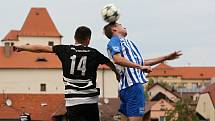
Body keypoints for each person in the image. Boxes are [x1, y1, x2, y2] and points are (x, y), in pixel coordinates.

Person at [14, 26, 120, 121]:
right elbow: (109, 62)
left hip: (73, 102)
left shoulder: (64, 50)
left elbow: (40, 48)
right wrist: (117, 73)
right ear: (88, 39)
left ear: (74, 38)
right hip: (90, 101)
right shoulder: (94, 53)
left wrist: (22, 47)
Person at [103, 22, 182, 121]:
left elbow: (142, 62)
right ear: (114, 29)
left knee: (126, 118)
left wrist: (166, 57)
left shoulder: (127, 43)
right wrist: (140, 67)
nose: (125, 27)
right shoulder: (115, 41)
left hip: (128, 87)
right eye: (121, 25)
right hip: (133, 86)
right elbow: (117, 59)